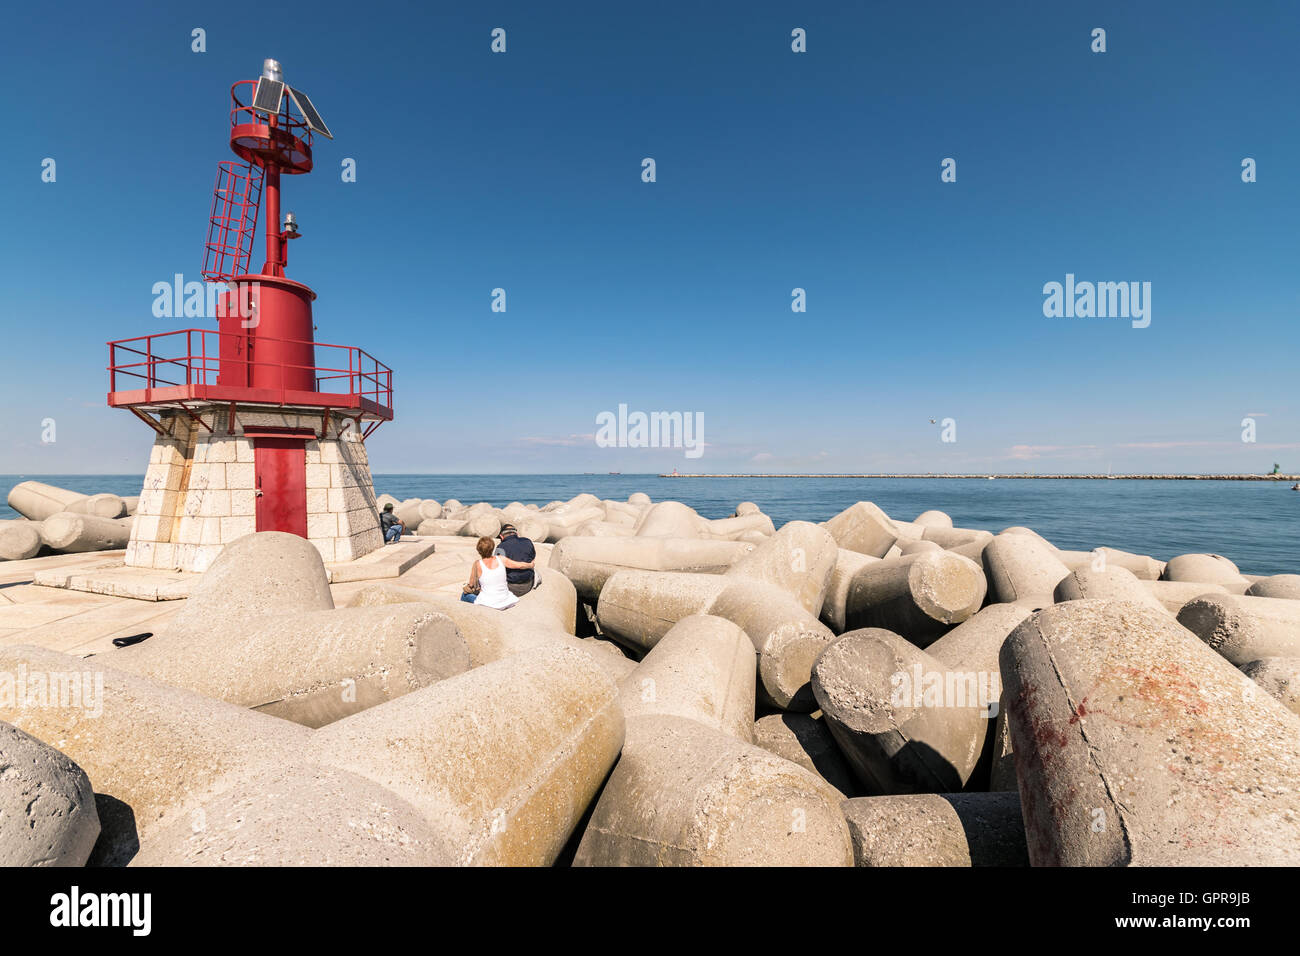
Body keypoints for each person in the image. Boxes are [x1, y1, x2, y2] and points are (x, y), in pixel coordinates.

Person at [461, 536, 519, 609]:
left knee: (465, 595)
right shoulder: (501, 558)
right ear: (492, 548)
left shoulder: (477, 564)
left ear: (478, 550)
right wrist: (530, 564)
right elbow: (519, 565)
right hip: (505, 600)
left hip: (488, 603)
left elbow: (471, 584)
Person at [495, 523, 539, 597]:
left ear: (501, 537)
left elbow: (498, 567)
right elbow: (532, 558)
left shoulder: (500, 547)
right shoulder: (528, 541)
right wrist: (528, 565)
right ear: (516, 533)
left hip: (511, 587)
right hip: (528, 584)